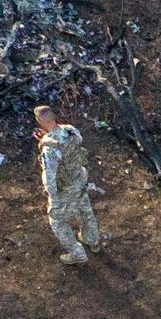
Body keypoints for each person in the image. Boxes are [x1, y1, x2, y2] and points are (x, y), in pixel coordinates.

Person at [35, 105, 101, 265]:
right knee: (84, 210)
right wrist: (47, 136)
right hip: (79, 179)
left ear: (40, 121)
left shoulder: (49, 149)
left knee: (57, 222)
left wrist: (53, 197)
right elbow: (71, 146)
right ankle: (92, 241)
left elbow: (49, 178)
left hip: (65, 189)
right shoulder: (71, 130)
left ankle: (78, 254)